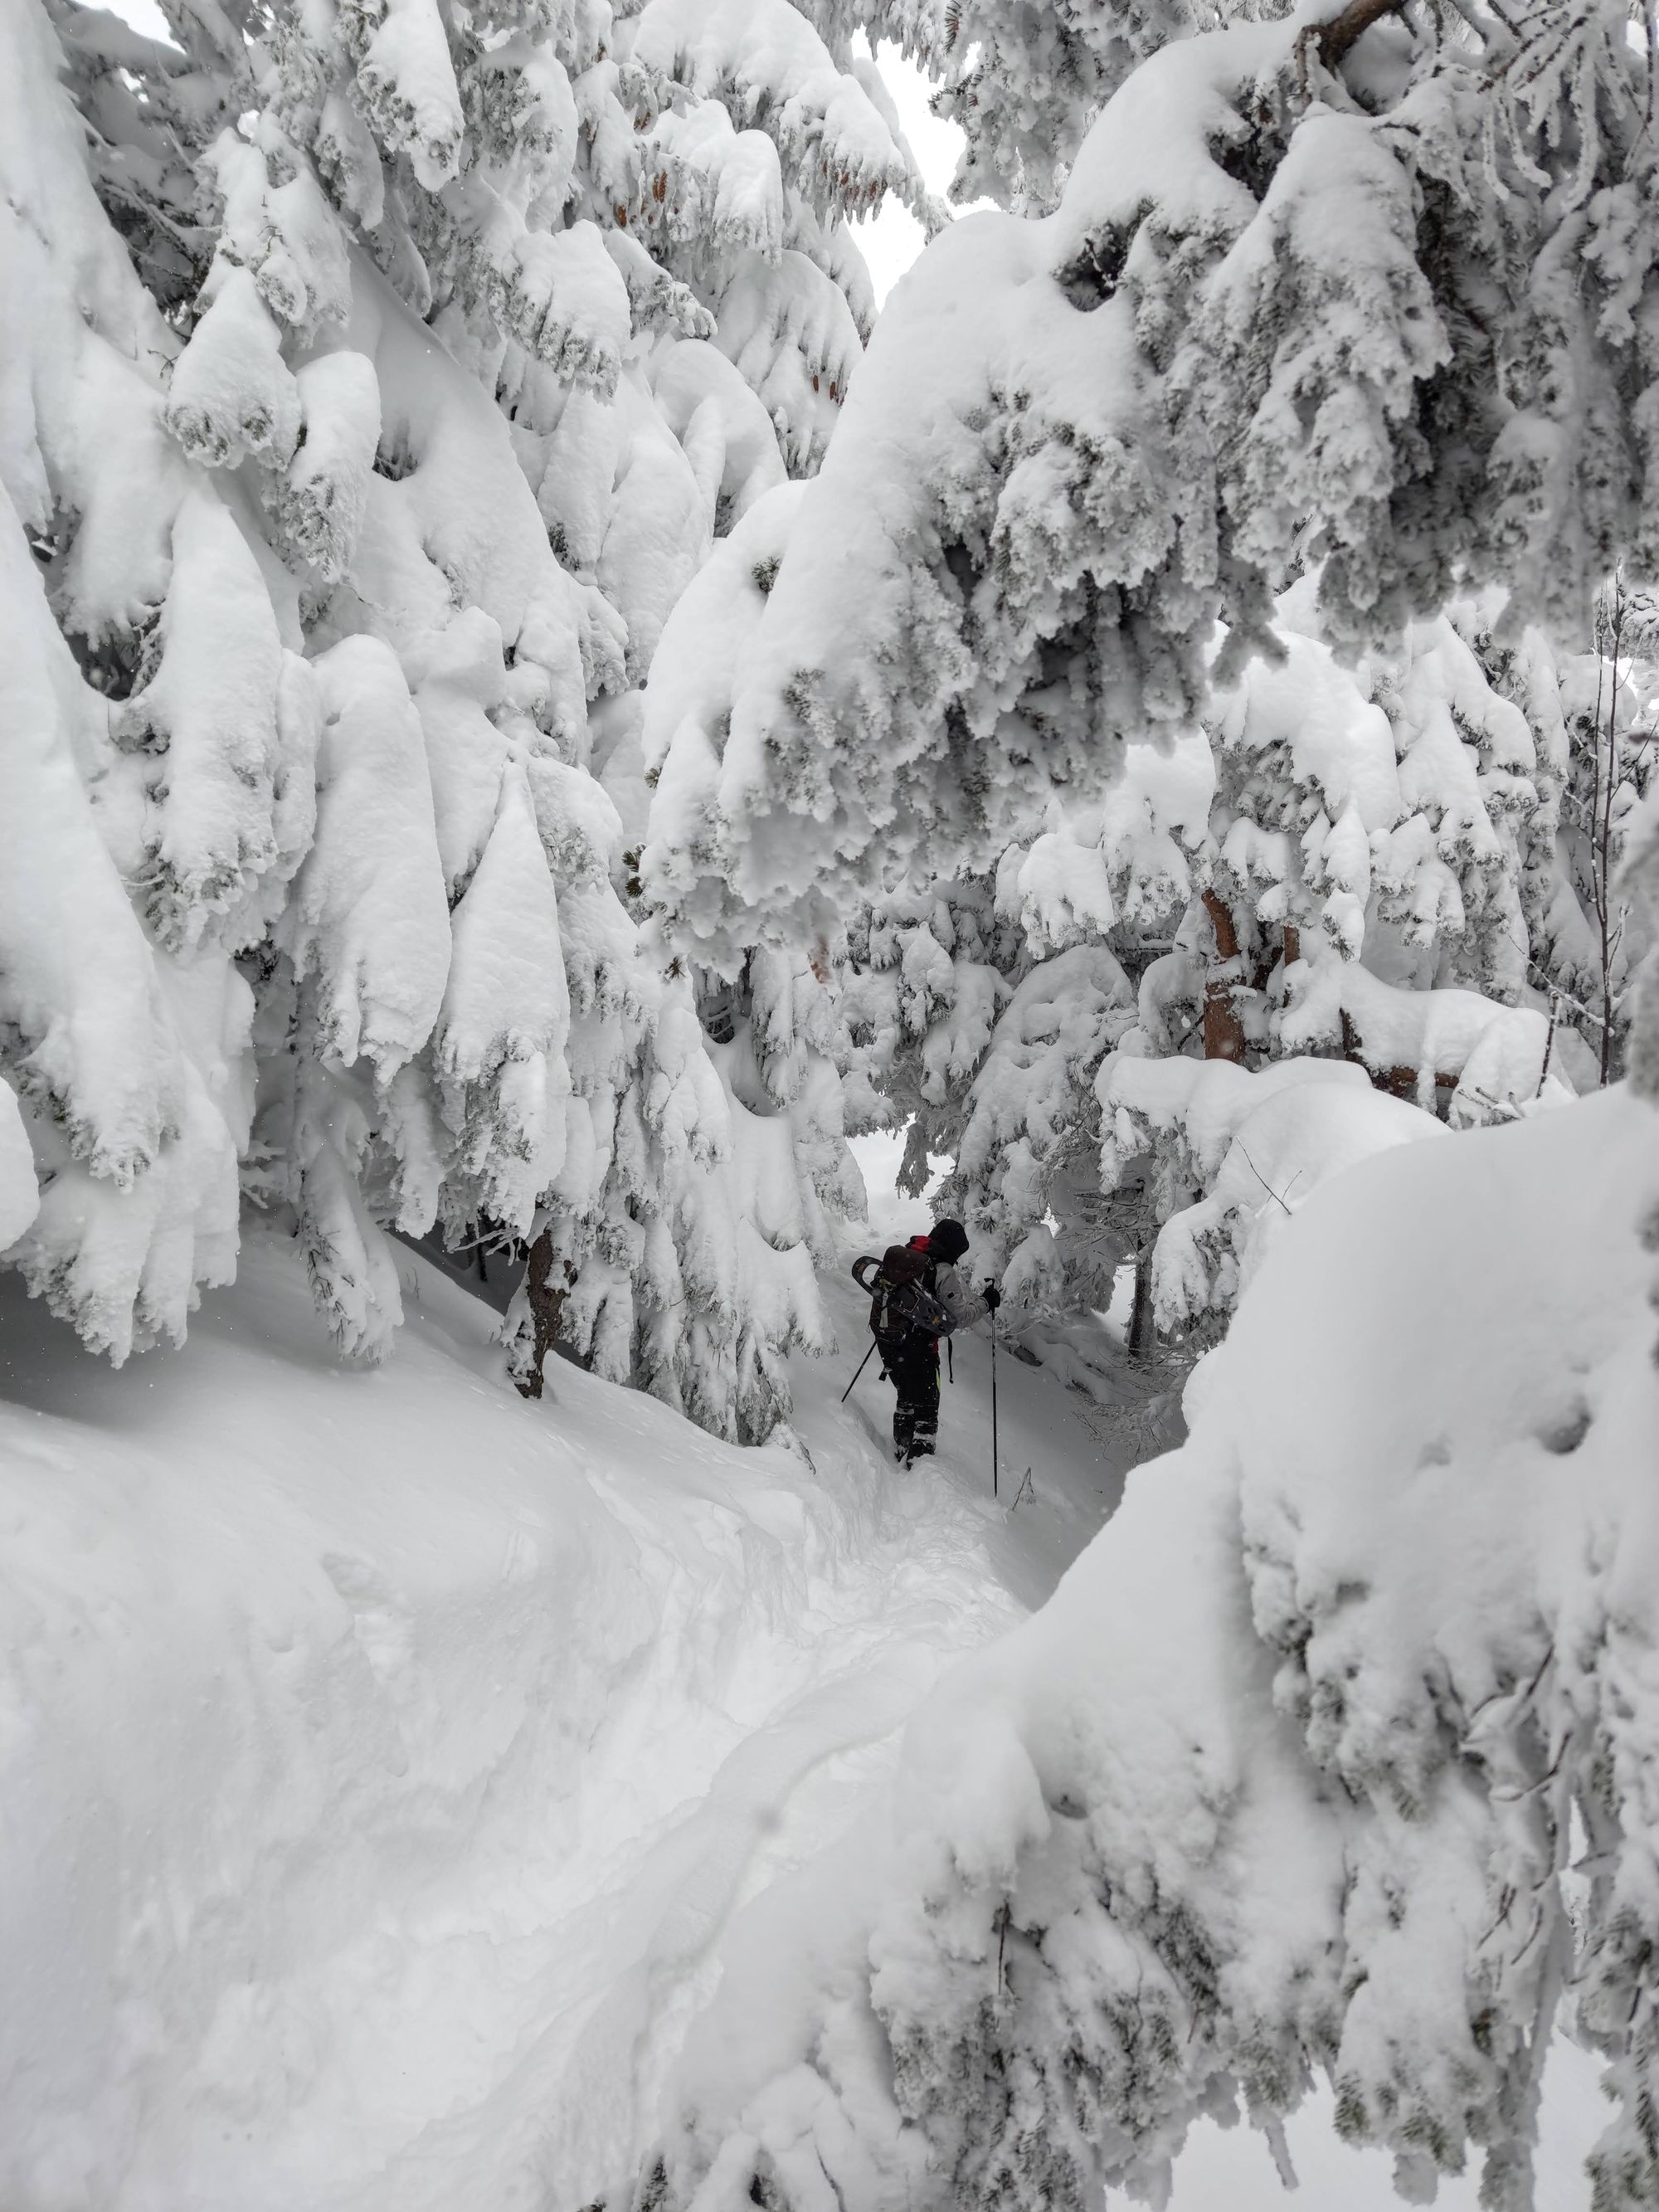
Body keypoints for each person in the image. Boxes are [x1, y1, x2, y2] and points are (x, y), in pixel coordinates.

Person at [878, 1218, 1001, 1466]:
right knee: (927, 1407)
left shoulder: (908, 1253)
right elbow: (961, 1316)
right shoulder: (942, 1270)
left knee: (905, 1396)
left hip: (889, 1341)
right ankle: (920, 1466)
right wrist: (987, 1302)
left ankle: (900, 1447)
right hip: (919, 1350)